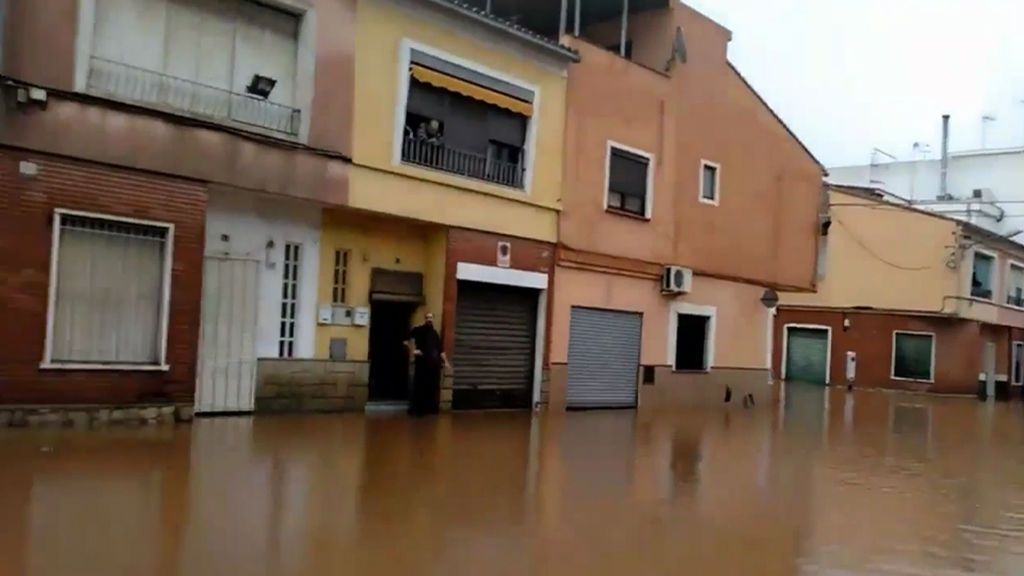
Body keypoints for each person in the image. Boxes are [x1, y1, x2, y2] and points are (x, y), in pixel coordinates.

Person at [407, 312, 448, 416]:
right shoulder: (418, 329)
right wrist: (413, 350)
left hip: (433, 366)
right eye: (427, 317)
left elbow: (441, 350)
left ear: (433, 319)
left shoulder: (434, 334)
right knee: (420, 386)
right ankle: (418, 410)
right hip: (422, 365)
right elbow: (406, 340)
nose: (429, 319)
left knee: (431, 387)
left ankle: (430, 409)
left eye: (431, 317)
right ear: (425, 319)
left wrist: (446, 362)